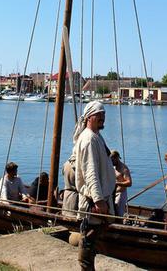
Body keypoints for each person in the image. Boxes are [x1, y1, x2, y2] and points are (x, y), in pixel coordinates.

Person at [73, 101, 116, 271]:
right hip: (94, 203)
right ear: (90, 117)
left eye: (104, 114)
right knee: (89, 241)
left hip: (100, 199)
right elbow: (90, 172)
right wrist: (98, 200)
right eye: (99, 114)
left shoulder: (96, 136)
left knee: (93, 241)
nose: (102, 118)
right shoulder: (89, 138)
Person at [109, 150, 132, 217]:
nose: (111, 162)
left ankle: (120, 224)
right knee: (112, 212)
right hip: (112, 193)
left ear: (116, 158)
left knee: (119, 213)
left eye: (112, 160)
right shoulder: (112, 166)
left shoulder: (124, 169)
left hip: (120, 194)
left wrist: (117, 183)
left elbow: (129, 183)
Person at [61, 153, 78, 218]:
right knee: (73, 216)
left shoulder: (66, 163)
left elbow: (63, 173)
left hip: (67, 194)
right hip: (75, 196)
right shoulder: (78, 164)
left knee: (65, 214)